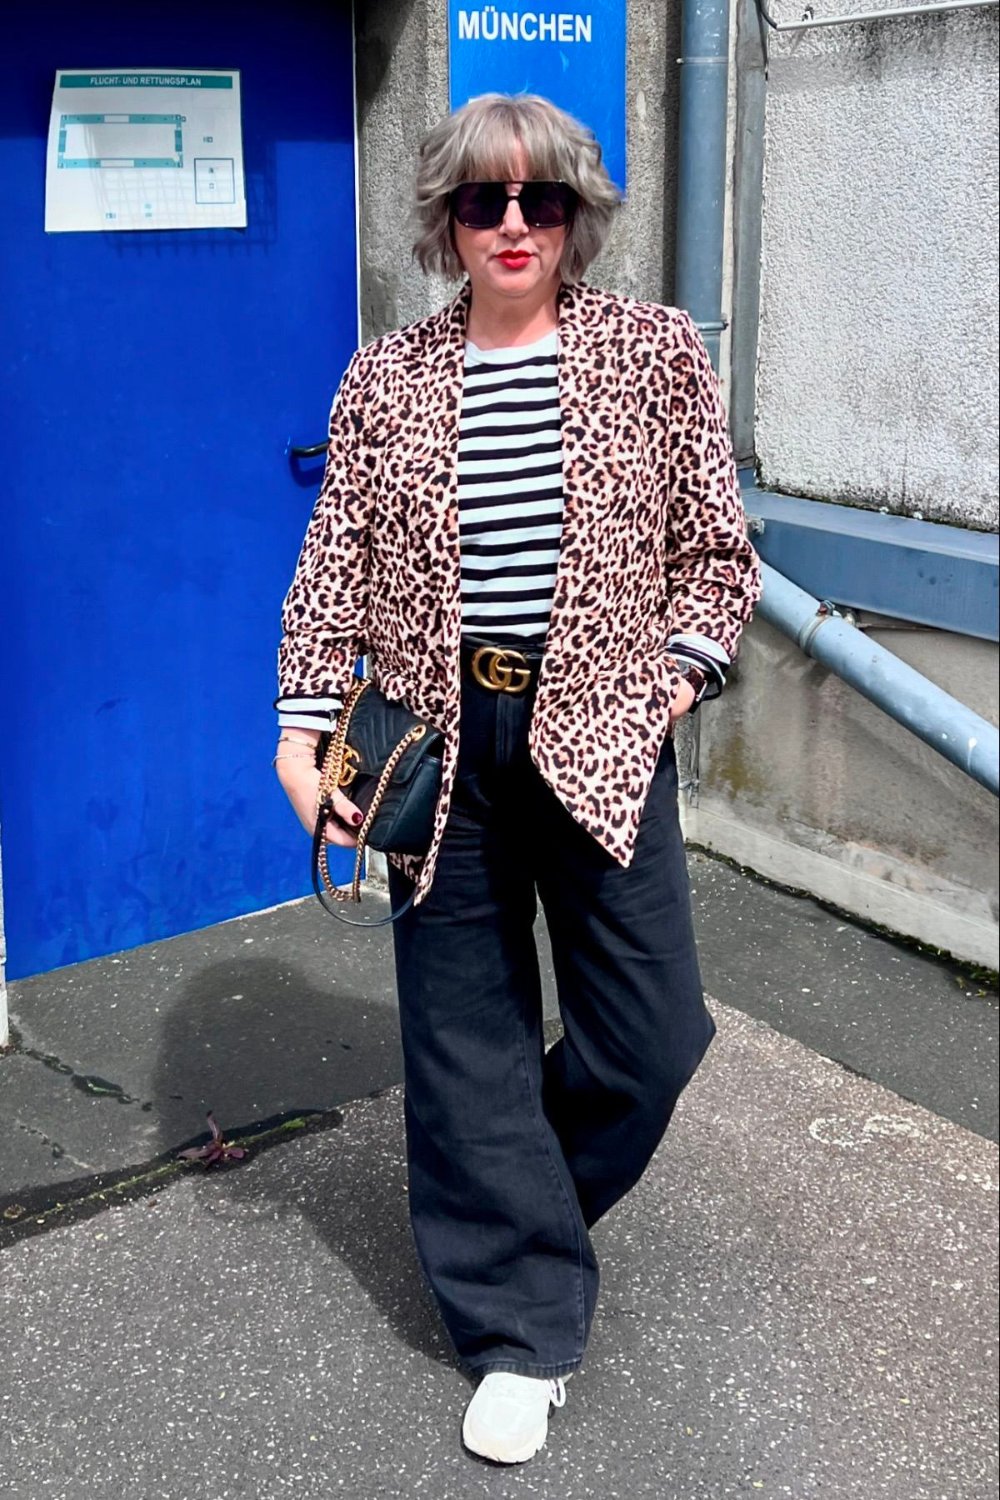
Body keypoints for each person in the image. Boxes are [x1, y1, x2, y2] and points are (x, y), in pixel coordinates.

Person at [274, 93, 762, 1465]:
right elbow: (334, 568)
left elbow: (719, 559)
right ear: (444, 217)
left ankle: (503, 1196)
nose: (510, 224)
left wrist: (674, 680)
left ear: (576, 217)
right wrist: (300, 731)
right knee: (466, 1040)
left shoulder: (653, 352)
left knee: (652, 1040)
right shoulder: (386, 379)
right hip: (439, 746)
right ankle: (518, 1325)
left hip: (605, 734)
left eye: (538, 200)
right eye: (483, 200)